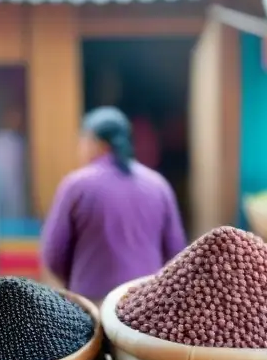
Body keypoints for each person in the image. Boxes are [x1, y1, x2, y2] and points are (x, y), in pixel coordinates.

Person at [41, 107, 187, 304]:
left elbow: (53, 254)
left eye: (82, 141)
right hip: (143, 305)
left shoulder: (76, 186)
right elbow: (176, 251)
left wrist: (77, 278)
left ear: (95, 142)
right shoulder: (158, 185)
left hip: (91, 304)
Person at [0, 107, 30, 220]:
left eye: (18, 120)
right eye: (13, 119)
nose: (16, 122)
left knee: (16, 210)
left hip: (16, 182)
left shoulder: (18, 140)